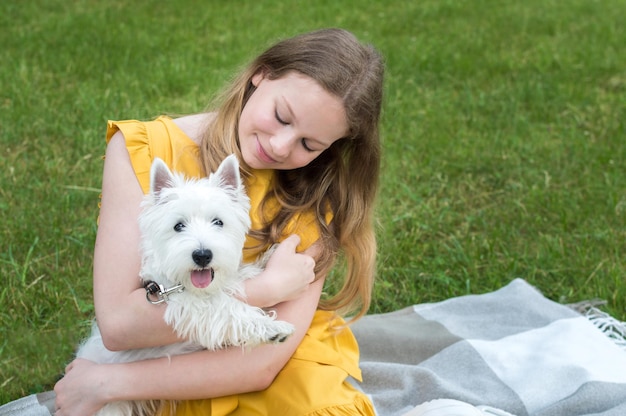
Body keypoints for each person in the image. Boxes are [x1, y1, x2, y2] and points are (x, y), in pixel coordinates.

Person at [53, 27, 384, 416]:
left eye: (309, 145)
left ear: (332, 147)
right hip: (165, 368)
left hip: (267, 367)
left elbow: (261, 363)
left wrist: (105, 384)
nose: (280, 146)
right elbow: (120, 326)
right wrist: (265, 289)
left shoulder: (313, 200)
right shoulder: (143, 151)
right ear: (261, 74)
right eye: (281, 116)